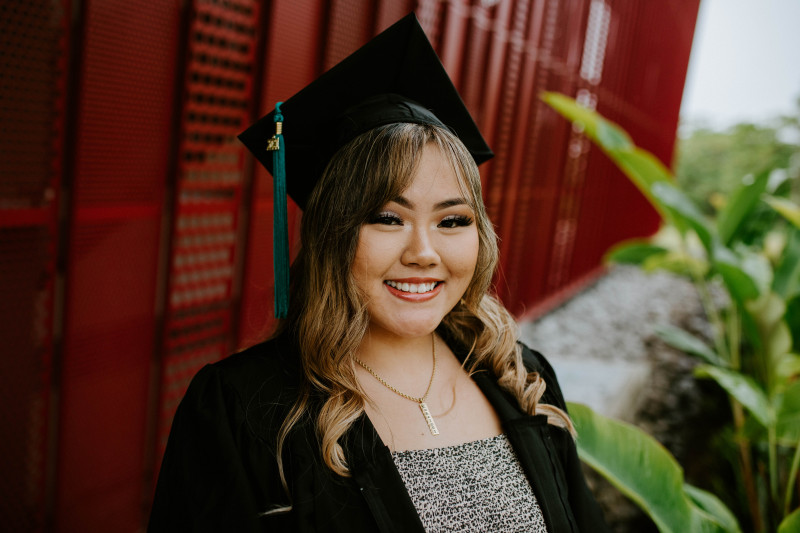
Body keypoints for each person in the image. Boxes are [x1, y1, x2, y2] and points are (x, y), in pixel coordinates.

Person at [149, 13, 608, 533]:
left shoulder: (521, 378)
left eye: (452, 220)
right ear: (333, 234)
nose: (424, 252)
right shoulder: (245, 409)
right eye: (387, 218)